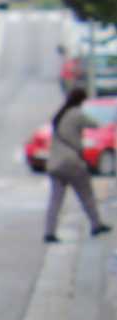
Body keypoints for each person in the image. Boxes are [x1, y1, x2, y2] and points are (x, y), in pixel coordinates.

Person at [44, 85, 108, 243]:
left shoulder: (60, 114)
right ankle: (96, 223)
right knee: (86, 193)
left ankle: (49, 232)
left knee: (55, 200)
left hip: (55, 163)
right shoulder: (77, 114)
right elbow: (95, 124)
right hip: (72, 162)